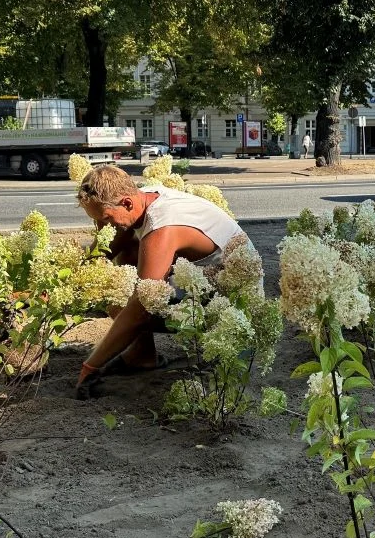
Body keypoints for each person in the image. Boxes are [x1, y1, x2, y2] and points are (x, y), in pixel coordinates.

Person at [73, 164, 247, 398]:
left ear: (126, 203)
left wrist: (90, 367)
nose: (105, 229)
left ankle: (147, 353)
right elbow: (102, 250)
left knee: (121, 296)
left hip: (235, 305)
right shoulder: (144, 197)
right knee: (120, 262)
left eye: (106, 220)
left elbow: (141, 308)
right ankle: (141, 356)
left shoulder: (162, 227)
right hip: (205, 278)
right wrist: (65, 282)